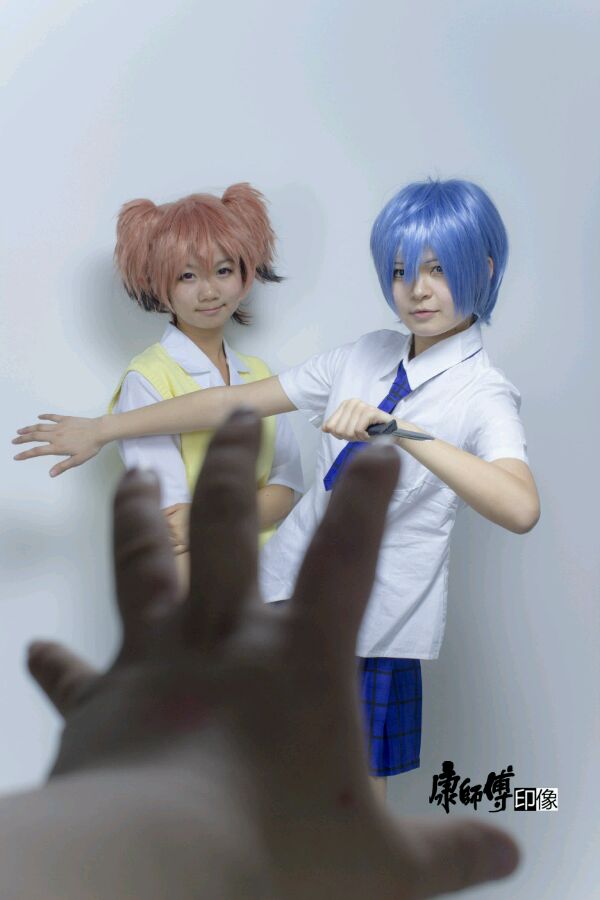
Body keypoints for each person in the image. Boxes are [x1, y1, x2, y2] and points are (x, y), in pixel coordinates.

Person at [13, 178, 541, 798]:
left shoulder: (484, 395)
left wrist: (404, 433)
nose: (417, 289)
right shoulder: (364, 355)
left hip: (375, 622)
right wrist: (103, 429)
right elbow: (231, 403)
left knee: (354, 798)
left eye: (439, 268)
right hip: (284, 594)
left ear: (483, 268)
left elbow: (520, 506)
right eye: (401, 271)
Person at [4, 410, 520, 899]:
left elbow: (285, 485)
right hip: (252, 632)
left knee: (355, 773)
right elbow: (226, 431)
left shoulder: (476, 396)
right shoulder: (330, 372)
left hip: (313, 635)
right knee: (341, 778)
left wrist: (127, 778)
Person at [111, 184, 303, 583]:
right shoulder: (147, 379)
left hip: (277, 581)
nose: (209, 291)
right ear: (159, 283)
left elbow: (287, 488)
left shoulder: (259, 373)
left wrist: (209, 520)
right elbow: (173, 526)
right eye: (187, 276)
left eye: (223, 270)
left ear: (245, 272)